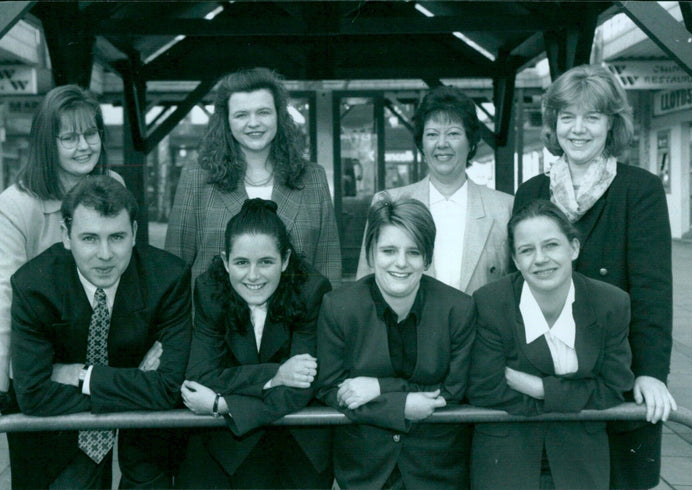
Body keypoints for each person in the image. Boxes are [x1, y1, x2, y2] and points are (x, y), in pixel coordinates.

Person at [513, 64, 676, 489]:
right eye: (567, 117)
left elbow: (653, 290)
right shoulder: (532, 191)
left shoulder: (639, 189)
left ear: (612, 123)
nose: (578, 129)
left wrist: (652, 372)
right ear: (554, 125)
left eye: (592, 117)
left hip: (613, 376)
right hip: (548, 373)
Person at [0, 84, 123, 488]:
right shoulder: (16, 205)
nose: (84, 146)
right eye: (69, 137)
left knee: (95, 477)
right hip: (43, 371)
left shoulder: (113, 186)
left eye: (91, 134)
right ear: (47, 143)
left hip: (101, 363)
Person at [10, 175, 191, 488]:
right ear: (66, 236)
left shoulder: (168, 278)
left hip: (146, 434)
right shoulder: (34, 284)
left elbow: (168, 388)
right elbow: (32, 394)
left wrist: (82, 376)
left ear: (134, 233)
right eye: (90, 238)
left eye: (117, 237)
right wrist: (137, 380)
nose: (105, 254)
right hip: (64, 435)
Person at [468, 199, 635, 489]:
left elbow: (615, 386)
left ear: (574, 248)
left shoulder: (610, 303)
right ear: (516, 260)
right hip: (506, 460)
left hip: (580, 460)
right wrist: (574, 396)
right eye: (527, 250)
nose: (540, 259)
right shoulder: (491, 302)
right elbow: (485, 389)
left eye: (551, 245)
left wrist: (541, 389)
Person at [317, 197, 475, 489]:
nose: (401, 263)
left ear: (427, 258)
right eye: (389, 250)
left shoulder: (459, 308)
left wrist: (380, 388)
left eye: (413, 252)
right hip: (365, 469)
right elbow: (328, 387)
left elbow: (454, 391)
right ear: (371, 253)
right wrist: (402, 405)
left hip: (437, 469)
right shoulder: (339, 307)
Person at [177, 198, 332, 489]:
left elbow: (300, 387)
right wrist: (276, 375)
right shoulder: (209, 290)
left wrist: (222, 404)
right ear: (225, 261)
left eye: (266, 262)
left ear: (285, 260)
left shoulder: (311, 289)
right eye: (241, 263)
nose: (253, 276)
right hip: (228, 443)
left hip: (296, 435)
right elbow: (200, 376)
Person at [165, 67, 341, 286]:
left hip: (297, 318)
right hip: (213, 319)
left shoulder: (313, 178)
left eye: (263, 112)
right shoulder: (196, 178)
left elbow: (328, 267)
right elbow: (173, 268)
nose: (253, 123)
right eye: (241, 115)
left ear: (279, 115)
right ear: (226, 121)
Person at [356, 86, 512, 294]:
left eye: (453, 133)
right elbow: (365, 285)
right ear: (421, 142)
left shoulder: (504, 208)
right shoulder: (388, 202)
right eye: (432, 134)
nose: (442, 144)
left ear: (471, 141)